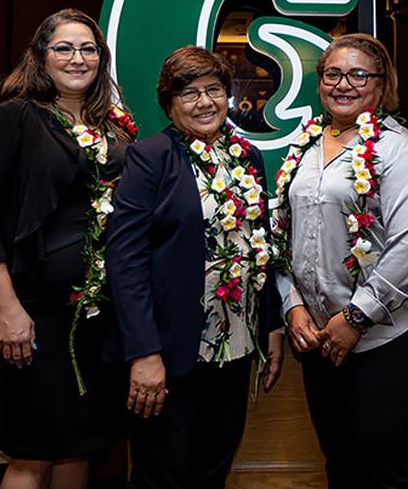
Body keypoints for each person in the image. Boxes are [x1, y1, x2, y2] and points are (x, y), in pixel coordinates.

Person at [0, 8, 134, 488]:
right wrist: (7, 308)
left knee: (79, 447)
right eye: (64, 47)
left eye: (88, 48)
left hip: (97, 320)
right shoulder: (15, 117)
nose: (77, 58)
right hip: (33, 317)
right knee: (33, 453)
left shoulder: (111, 128)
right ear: (41, 56)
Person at [104, 45, 284, 489]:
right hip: (170, 352)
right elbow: (125, 261)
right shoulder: (151, 157)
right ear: (169, 103)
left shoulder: (248, 158)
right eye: (189, 93)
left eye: (214, 89)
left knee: (212, 470)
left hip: (236, 348)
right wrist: (144, 353)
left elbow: (263, 247)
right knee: (162, 475)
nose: (204, 102)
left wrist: (271, 327)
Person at [273, 33, 408, 489]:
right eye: (332, 74)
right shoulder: (303, 147)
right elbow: (281, 235)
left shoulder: (399, 150)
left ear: (381, 86)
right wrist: (293, 306)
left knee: (388, 470)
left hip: (385, 338)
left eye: (358, 74)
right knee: (340, 465)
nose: (343, 84)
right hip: (319, 340)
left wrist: (356, 316)